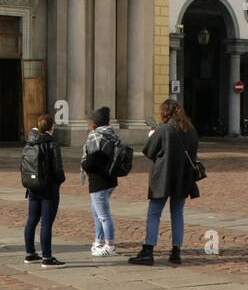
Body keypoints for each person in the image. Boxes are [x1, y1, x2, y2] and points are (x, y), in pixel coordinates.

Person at [128, 97, 200, 265]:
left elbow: (149, 152)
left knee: (154, 214)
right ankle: (176, 251)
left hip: (163, 178)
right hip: (183, 178)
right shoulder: (191, 130)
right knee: (177, 214)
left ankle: (148, 250)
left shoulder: (163, 130)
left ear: (164, 113)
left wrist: (152, 135)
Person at [21, 114, 66, 266]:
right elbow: (58, 168)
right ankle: (47, 257)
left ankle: (30, 253)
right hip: (48, 187)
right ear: (51, 127)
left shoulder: (30, 142)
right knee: (46, 223)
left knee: (31, 220)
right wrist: (60, 181)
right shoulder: (52, 142)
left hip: (32, 186)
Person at [81, 105, 120, 257]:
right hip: (110, 179)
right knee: (96, 210)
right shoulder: (112, 134)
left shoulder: (95, 136)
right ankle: (98, 240)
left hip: (98, 181)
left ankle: (109, 245)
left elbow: (90, 161)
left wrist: (84, 165)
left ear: (94, 122)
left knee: (103, 214)